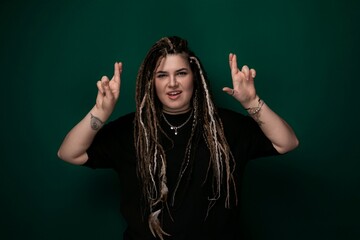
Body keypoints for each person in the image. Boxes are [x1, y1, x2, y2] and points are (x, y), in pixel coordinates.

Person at [57, 36, 299, 240]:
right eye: (162, 75)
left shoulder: (226, 126)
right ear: (151, 81)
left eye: (181, 73)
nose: (172, 83)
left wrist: (251, 102)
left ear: (194, 76)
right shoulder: (131, 129)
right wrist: (100, 112)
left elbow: (287, 142)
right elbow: (69, 153)